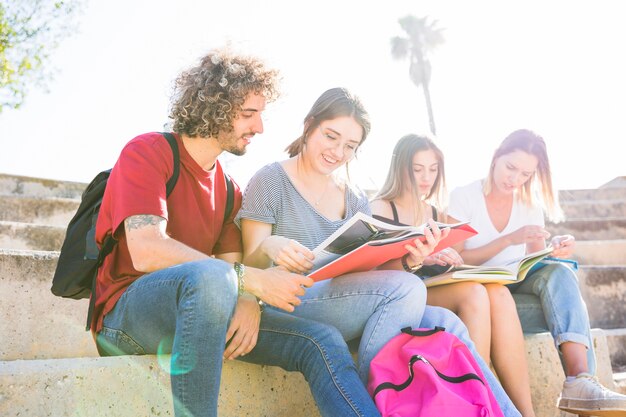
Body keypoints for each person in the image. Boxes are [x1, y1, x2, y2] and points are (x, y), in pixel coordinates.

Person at [92, 49, 389, 417]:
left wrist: (249, 300)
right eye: (249, 114)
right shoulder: (149, 151)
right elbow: (146, 249)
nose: (260, 127)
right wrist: (252, 282)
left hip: (202, 313)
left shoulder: (230, 190)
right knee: (212, 276)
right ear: (213, 107)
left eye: (261, 114)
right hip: (126, 321)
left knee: (320, 339)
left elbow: (235, 273)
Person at [237, 87, 523, 417]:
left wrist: (410, 259)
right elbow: (250, 264)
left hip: (342, 301)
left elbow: (370, 279)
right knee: (409, 288)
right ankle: (377, 405)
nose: (337, 152)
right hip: (289, 299)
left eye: (350, 146)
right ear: (309, 125)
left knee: (447, 322)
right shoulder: (270, 179)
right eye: (331, 136)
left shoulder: (354, 195)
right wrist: (270, 245)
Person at [446, 129, 626, 417]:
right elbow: (455, 260)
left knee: (560, 272)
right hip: (481, 303)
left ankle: (579, 381)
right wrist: (507, 239)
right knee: (501, 293)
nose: (515, 180)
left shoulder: (529, 205)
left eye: (525, 175)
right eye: (511, 168)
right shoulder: (464, 196)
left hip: (518, 301)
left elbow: (535, 267)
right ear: (495, 158)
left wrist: (553, 250)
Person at [370, 134, 537, 417]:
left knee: (483, 290)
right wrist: (419, 258)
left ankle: (483, 394)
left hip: (430, 287)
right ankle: (479, 392)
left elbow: (441, 262)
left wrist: (449, 259)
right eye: (417, 168)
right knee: (474, 293)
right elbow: (372, 272)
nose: (426, 177)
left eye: (433, 169)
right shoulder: (381, 206)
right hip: (397, 296)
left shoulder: (434, 212)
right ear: (400, 168)